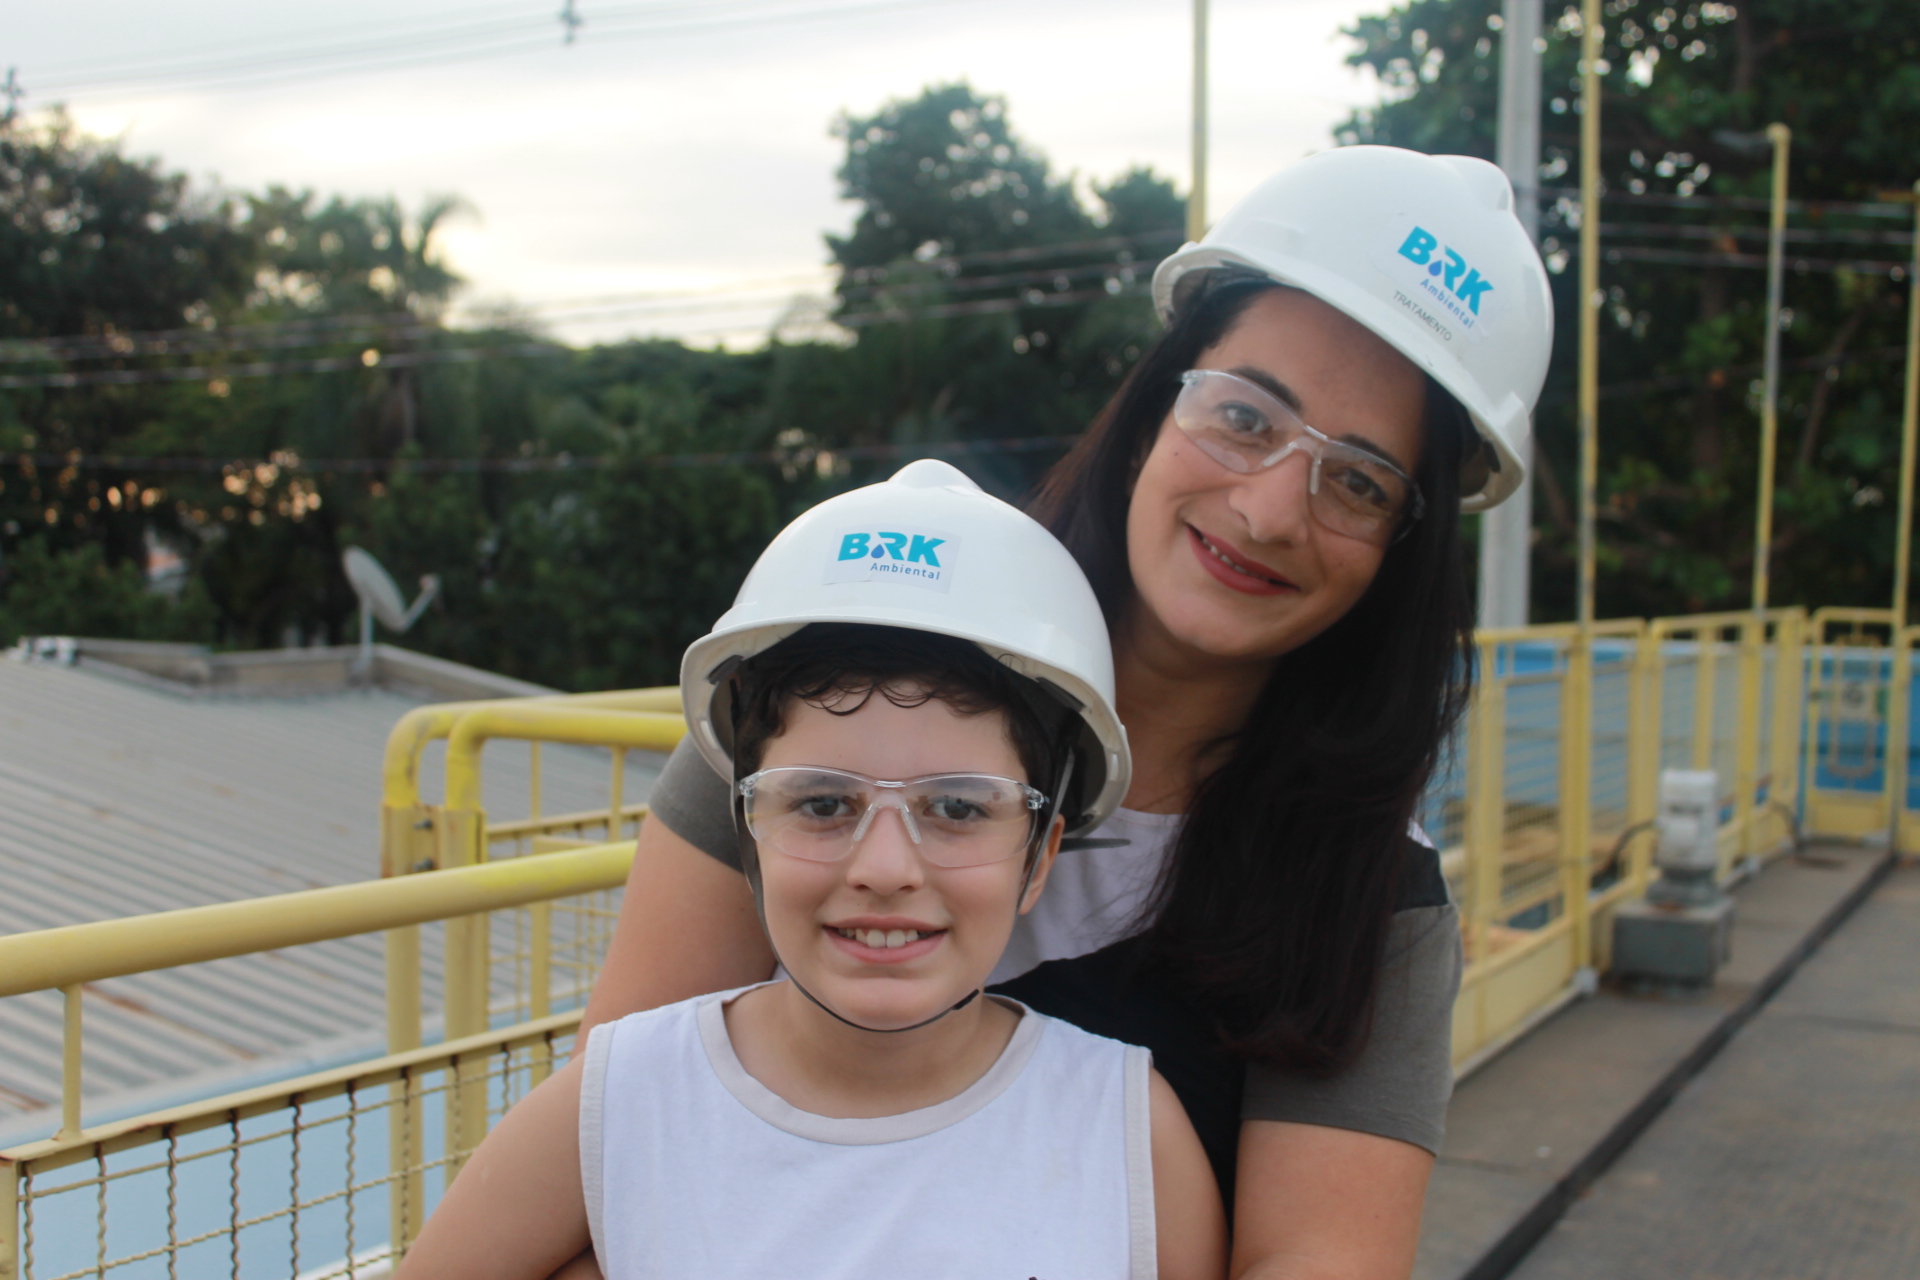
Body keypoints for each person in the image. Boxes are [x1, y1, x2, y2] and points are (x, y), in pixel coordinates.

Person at [579, 145, 1554, 1279]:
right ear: (1151, 412)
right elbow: (613, 1172)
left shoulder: (1368, 899)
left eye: (1359, 481)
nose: (1270, 509)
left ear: (1403, 548)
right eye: (1244, 416)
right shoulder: (825, 692)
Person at [398, 461, 1227, 1280]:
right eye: (824, 803)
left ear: (1039, 855)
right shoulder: (618, 1101)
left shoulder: (1128, 1131)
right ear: (746, 831)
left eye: (959, 807)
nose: (886, 868)